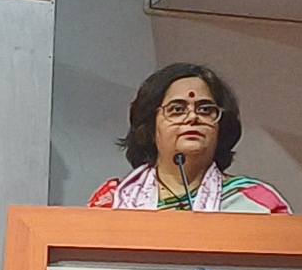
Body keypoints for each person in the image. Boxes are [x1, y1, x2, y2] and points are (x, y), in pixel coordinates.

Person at [89, 63, 290, 214]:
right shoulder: (114, 202)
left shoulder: (256, 202)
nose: (193, 117)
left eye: (205, 110)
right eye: (177, 109)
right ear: (149, 126)